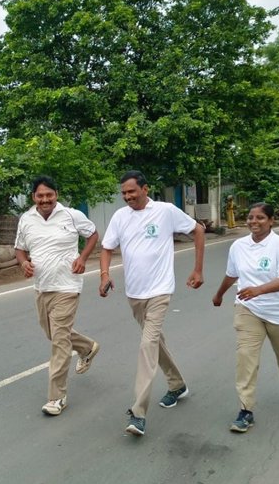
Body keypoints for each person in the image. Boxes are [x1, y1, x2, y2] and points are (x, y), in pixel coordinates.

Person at [98, 170, 205, 437]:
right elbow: (107, 248)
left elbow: (198, 230)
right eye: (123, 193)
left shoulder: (166, 210)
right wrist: (104, 274)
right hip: (134, 294)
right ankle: (177, 384)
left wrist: (198, 270)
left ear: (145, 189)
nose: (127, 197)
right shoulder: (120, 216)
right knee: (155, 341)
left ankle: (138, 412)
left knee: (147, 344)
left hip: (160, 291)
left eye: (132, 191)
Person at [13, 175, 100, 417]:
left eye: (49, 195)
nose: (45, 199)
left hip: (67, 285)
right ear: (34, 197)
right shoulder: (26, 220)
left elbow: (92, 234)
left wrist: (82, 258)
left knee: (59, 342)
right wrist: (23, 264)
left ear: (56, 195)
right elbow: (20, 249)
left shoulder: (72, 215)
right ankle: (87, 347)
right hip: (42, 287)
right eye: (40, 196)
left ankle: (56, 397)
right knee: (51, 332)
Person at [211, 201, 279, 433]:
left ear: (271, 221)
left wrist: (258, 290)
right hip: (247, 309)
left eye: (260, 218)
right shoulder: (238, 246)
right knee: (246, 358)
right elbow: (232, 275)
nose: (254, 222)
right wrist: (219, 294)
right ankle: (245, 410)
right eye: (250, 217)